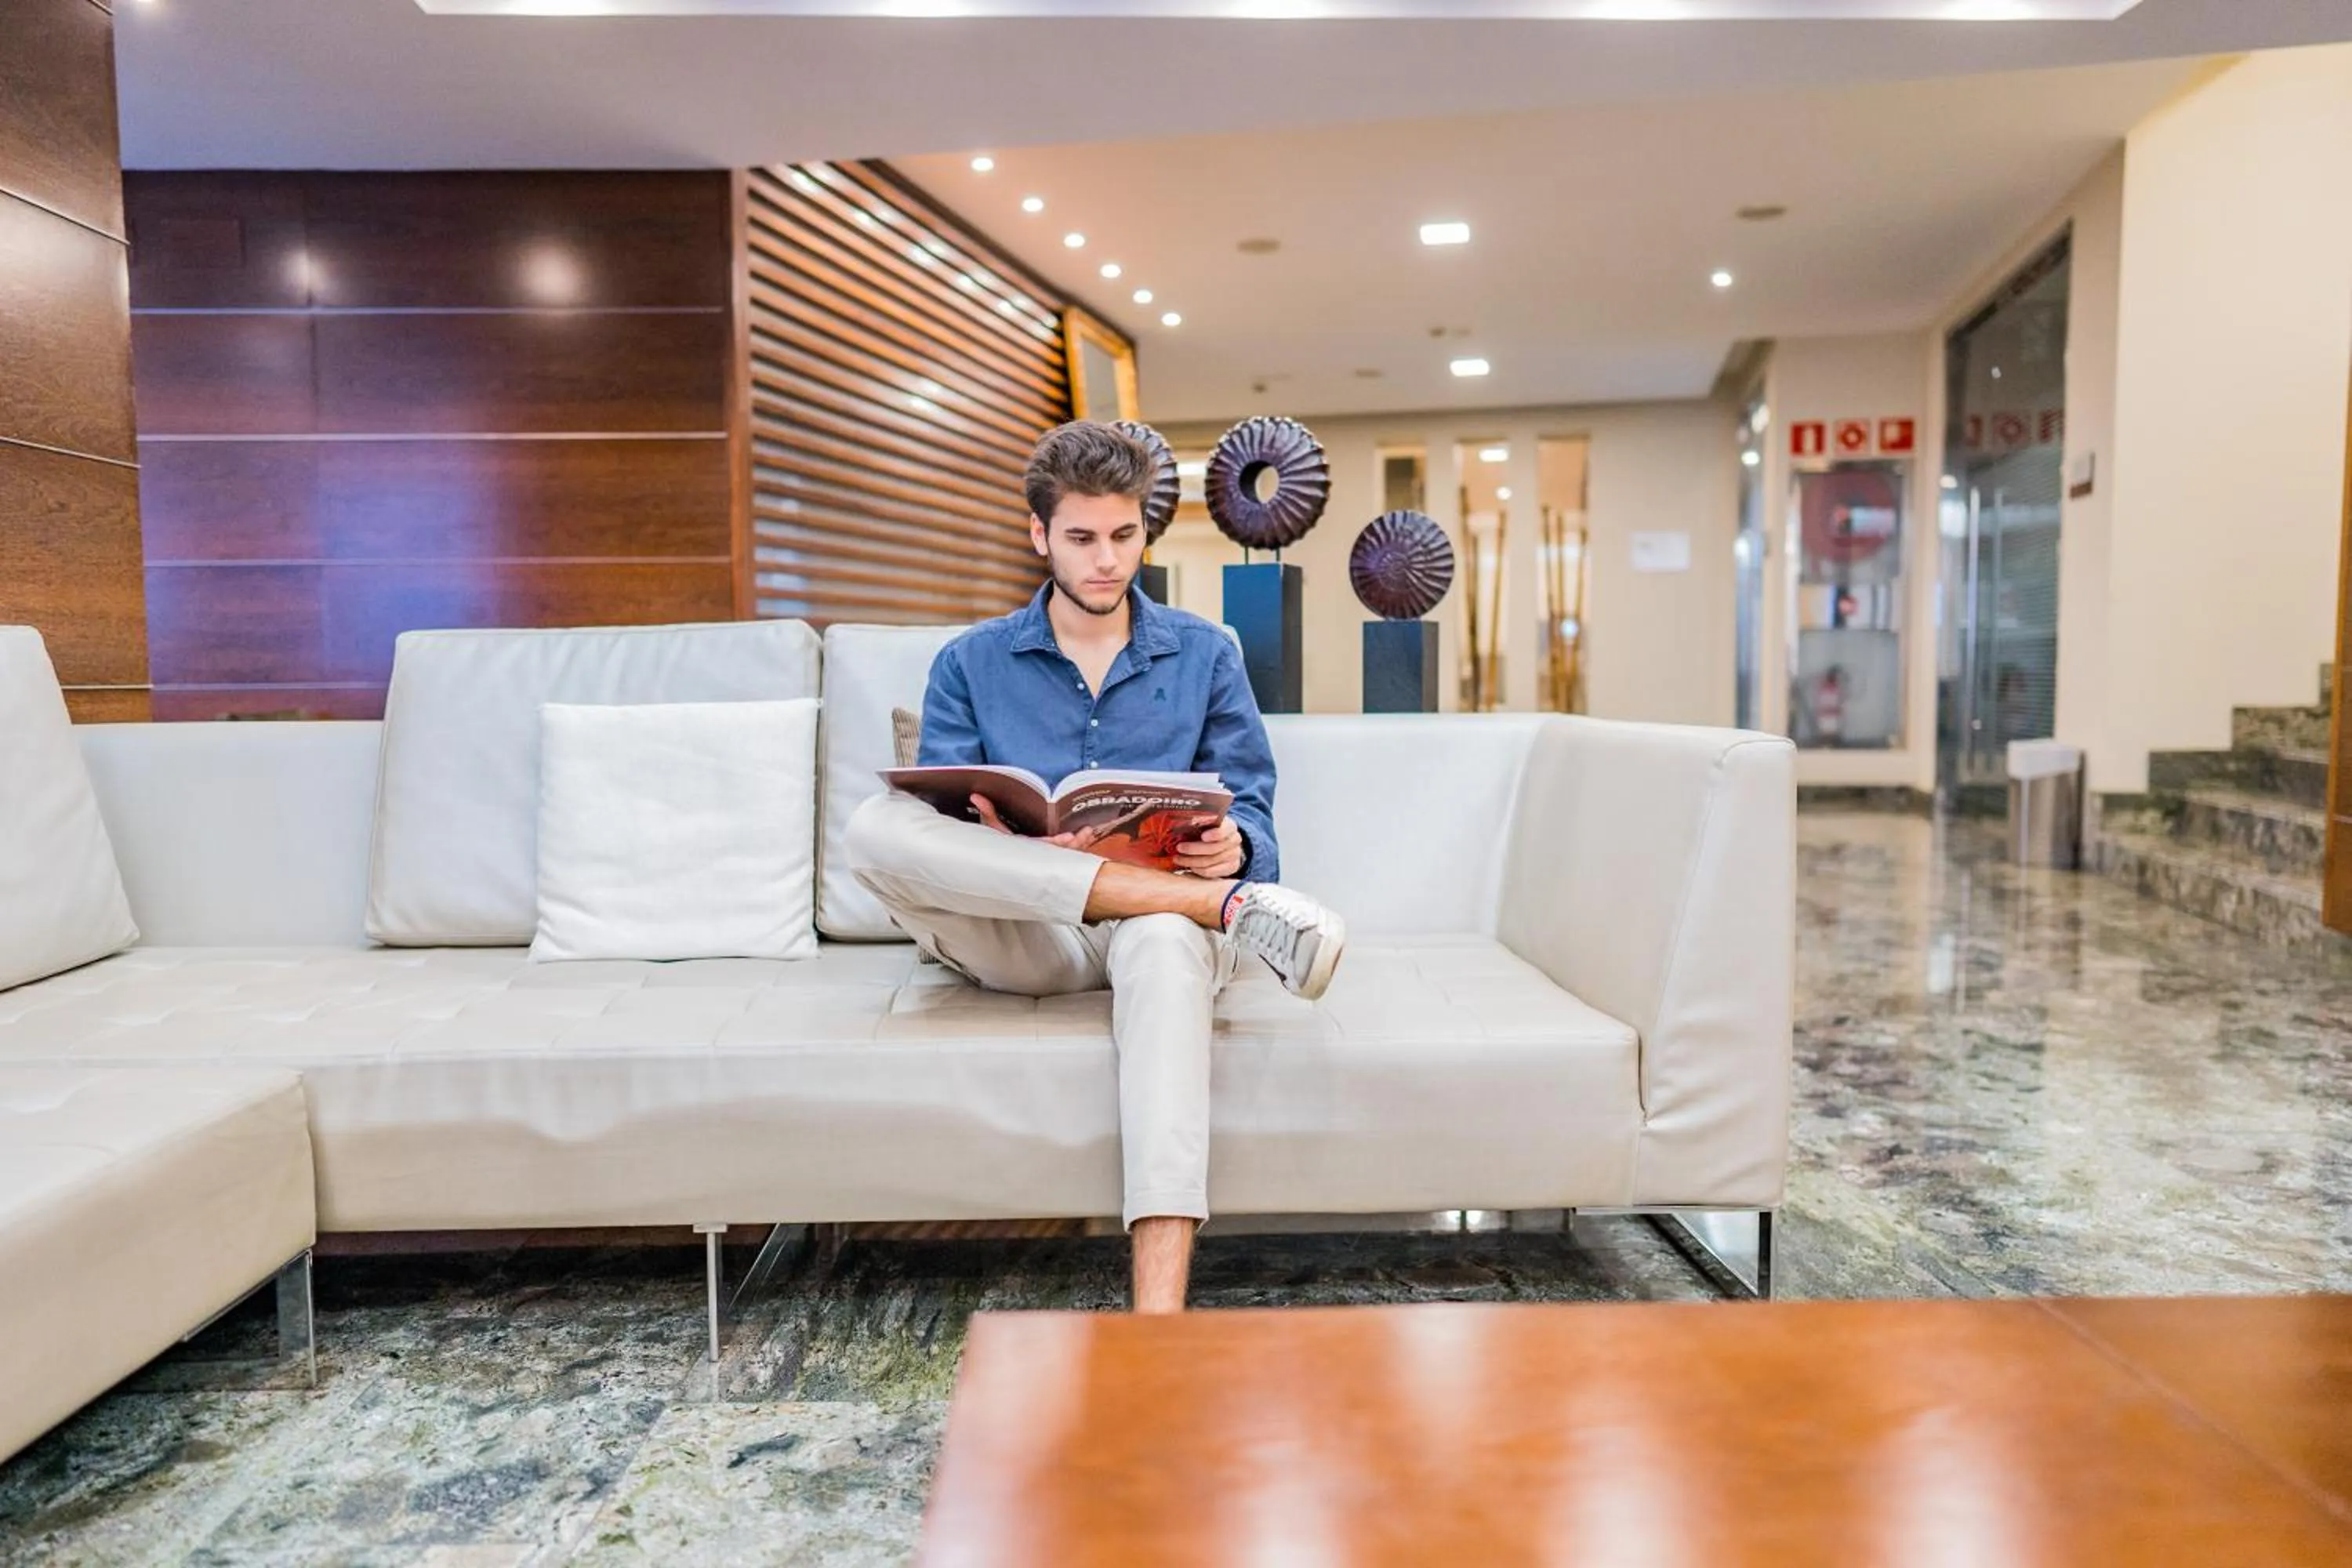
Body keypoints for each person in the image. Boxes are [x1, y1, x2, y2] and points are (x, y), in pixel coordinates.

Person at [844, 420, 1348, 1314]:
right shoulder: (971, 661)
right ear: (1040, 535)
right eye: (1081, 538)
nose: (1107, 560)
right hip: (1030, 930)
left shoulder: (1205, 653)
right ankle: (1231, 910)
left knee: (1158, 933)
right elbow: (942, 826)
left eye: (1124, 535)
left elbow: (1257, 809)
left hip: (1166, 930)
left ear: (1143, 530)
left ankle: (1157, 1322)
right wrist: (1017, 849)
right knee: (875, 827)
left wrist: (1238, 852)